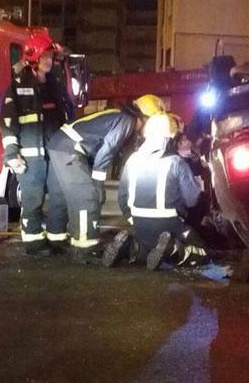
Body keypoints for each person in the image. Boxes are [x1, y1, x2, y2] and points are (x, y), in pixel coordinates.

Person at [46, 94, 166, 264]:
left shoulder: (118, 115)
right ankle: (84, 249)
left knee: (63, 197)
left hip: (60, 144)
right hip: (70, 148)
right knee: (87, 198)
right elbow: (107, 149)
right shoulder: (127, 121)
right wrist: (98, 183)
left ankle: (56, 239)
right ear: (145, 118)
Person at [102, 114, 211, 270]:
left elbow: (122, 198)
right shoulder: (176, 162)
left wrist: (134, 220)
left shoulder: (132, 160)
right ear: (170, 138)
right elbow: (192, 199)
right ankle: (172, 248)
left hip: (139, 223)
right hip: (171, 223)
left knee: (145, 250)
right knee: (201, 253)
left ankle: (129, 248)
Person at [0, 31, 71, 257]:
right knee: (33, 199)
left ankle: (57, 237)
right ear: (34, 59)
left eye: (51, 57)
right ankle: (33, 242)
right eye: (45, 57)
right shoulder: (17, 87)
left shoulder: (55, 87)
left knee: (60, 195)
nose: (49, 61)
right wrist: (11, 153)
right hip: (30, 156)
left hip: (55, 153)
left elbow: (65, 119)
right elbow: (8, 124)